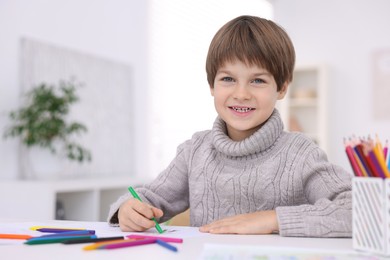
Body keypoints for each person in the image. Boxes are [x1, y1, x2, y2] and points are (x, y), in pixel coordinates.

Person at [107, 15, 352, 237]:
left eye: (258, 80)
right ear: (211, 85)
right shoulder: (195, 151)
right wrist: (127, 209)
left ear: (282, 88)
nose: (241, 93)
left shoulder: (300, 153)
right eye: (227, 79)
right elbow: (146, 198)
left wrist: (272, 219)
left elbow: (359, 209)